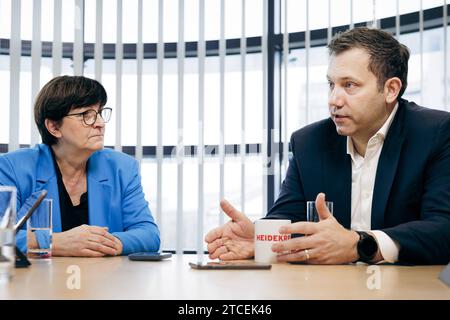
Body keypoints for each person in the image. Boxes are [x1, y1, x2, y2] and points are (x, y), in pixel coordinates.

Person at [205, 27, 450, 265]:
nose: (334, 100)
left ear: (390, 89)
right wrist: (261, 238)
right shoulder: (309, 142)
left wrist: (360, 245)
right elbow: (289, 218)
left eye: (349, 85)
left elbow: (443, 228)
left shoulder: (435, 133)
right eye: (331, 85)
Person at [0, 76, 160, 257]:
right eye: (86, 115)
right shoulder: (12, 167)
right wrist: (55, 241)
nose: (100, 123)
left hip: (105, 281)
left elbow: (149, 235)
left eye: (99, 112)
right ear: (54, 127)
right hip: (37, 282)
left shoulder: (122, 168)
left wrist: (101, 243)